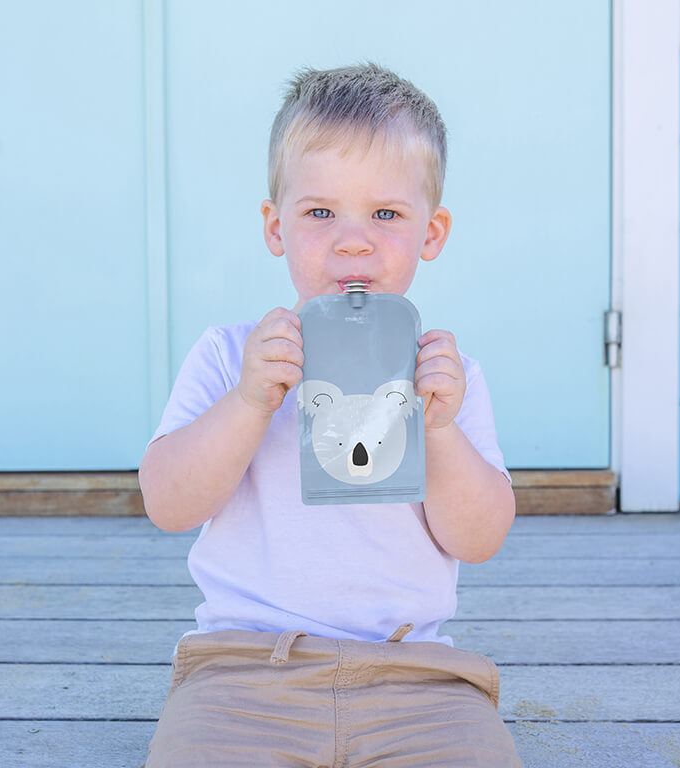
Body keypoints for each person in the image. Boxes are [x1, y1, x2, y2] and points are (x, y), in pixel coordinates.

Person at [139, 62, 521, 767]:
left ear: (430, 233)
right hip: (244, 670)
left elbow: (480, 537)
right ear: (274, 226)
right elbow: (167, 501)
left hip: (419, 678)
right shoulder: (231, 357)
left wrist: (437, 428)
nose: (353, 240)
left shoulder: (449, 378)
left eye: (386, 213)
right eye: (320, 212)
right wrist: (252, 402)